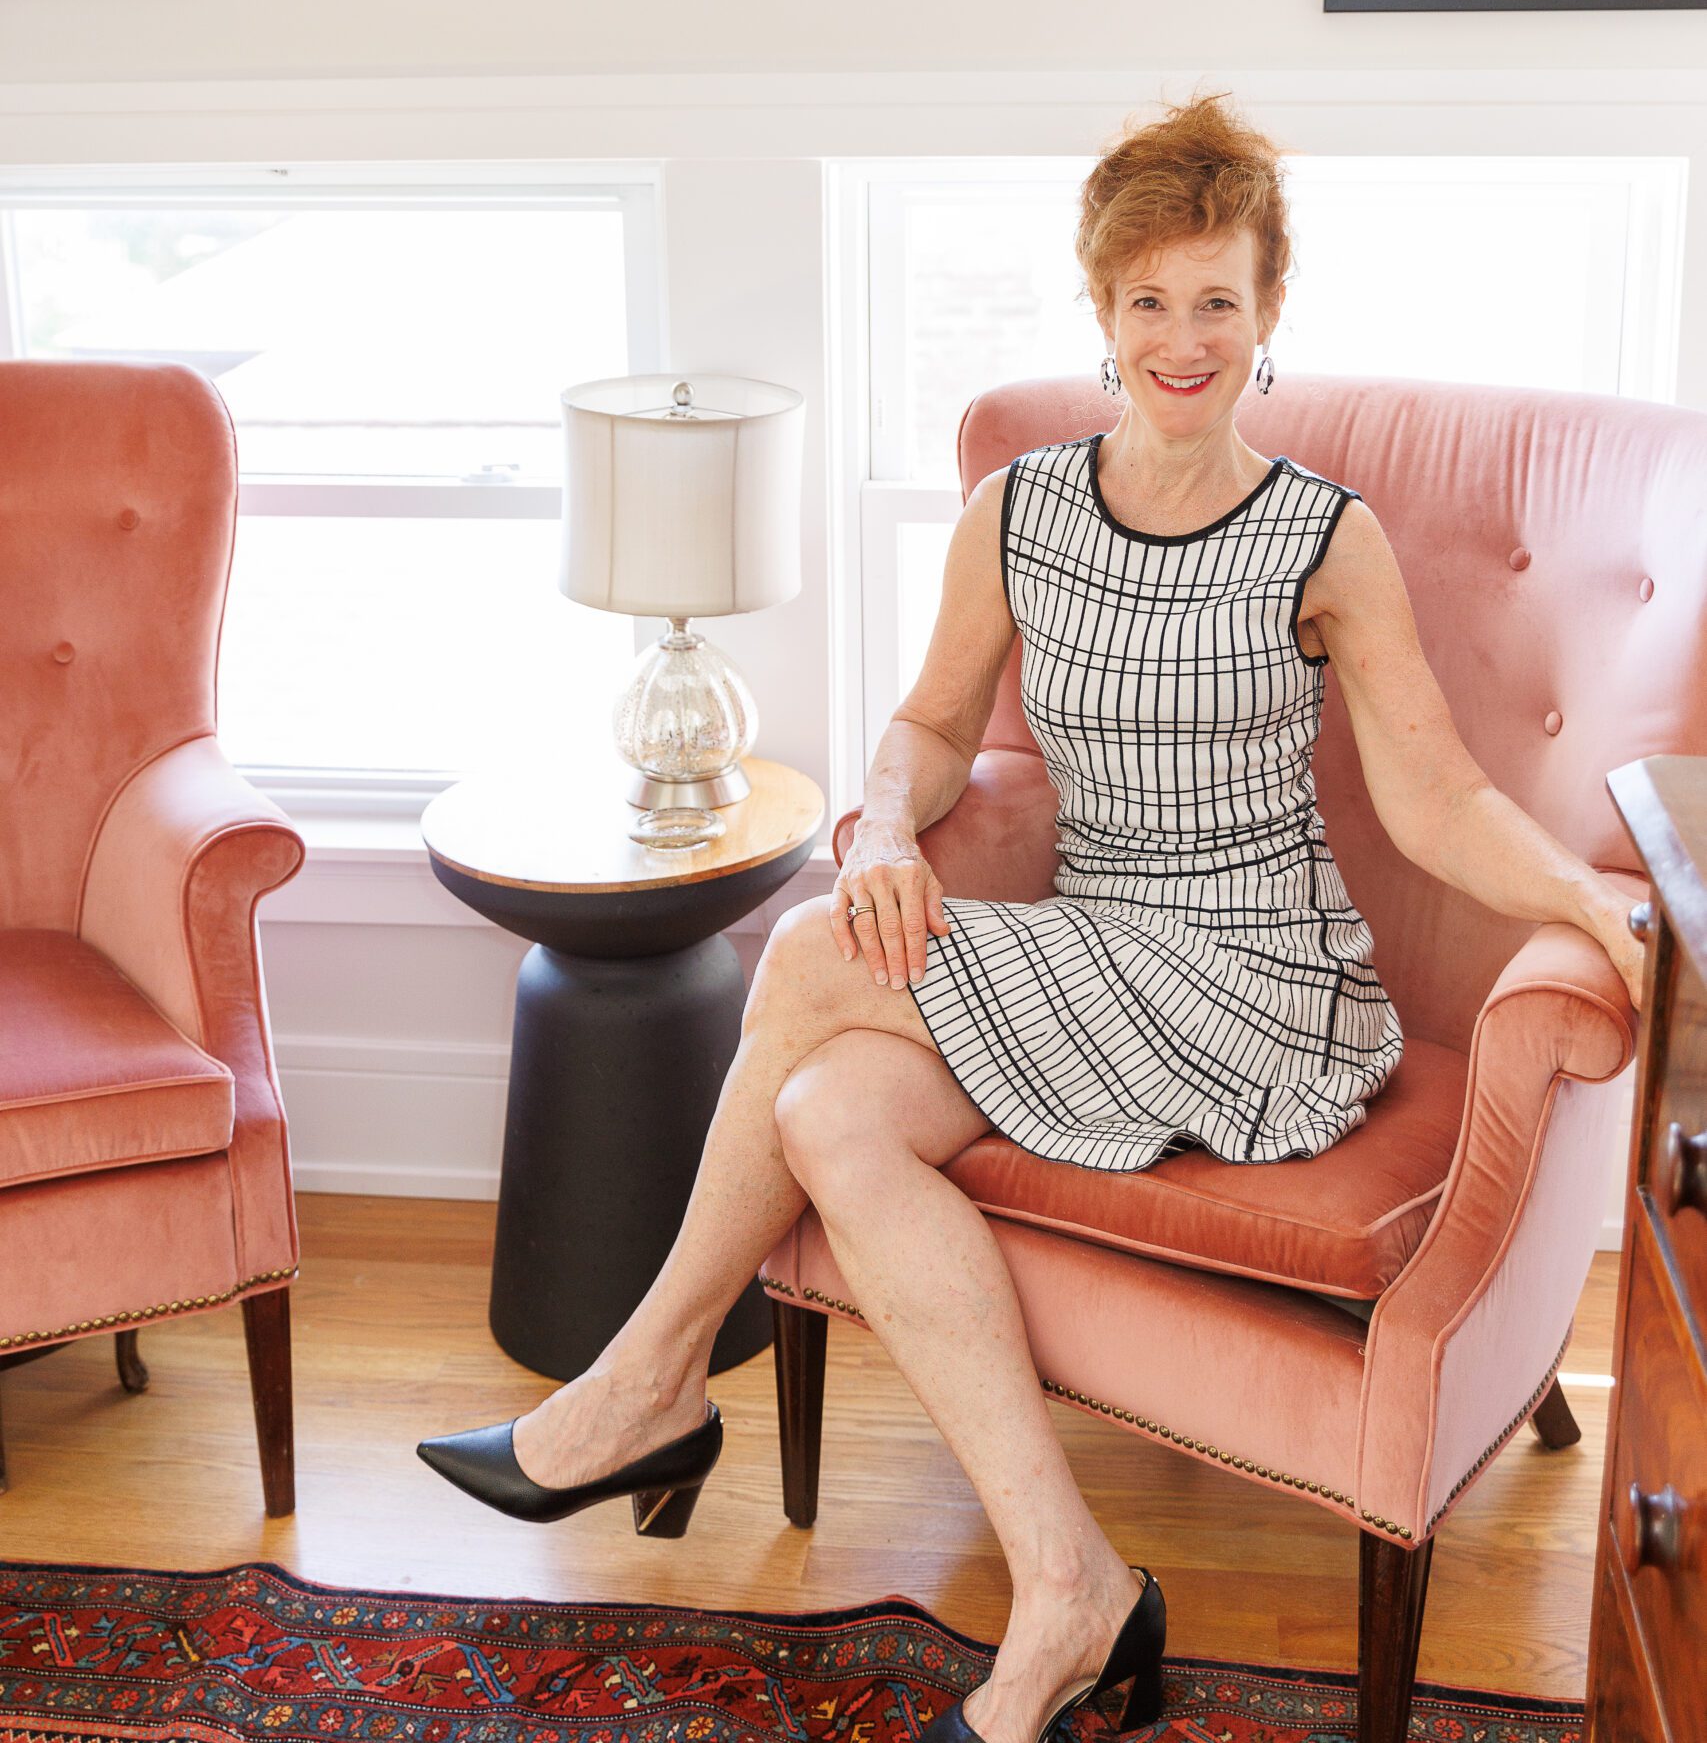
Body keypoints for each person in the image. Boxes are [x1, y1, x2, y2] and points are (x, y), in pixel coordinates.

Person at [418, 91, 1646, 1743]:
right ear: (1101, 311)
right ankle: (1074, 1583)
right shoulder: (1023, 509)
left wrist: (1599, 898)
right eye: (1150, 300)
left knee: (794, 970)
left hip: (1254, 980)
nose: (1183, 337)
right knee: (828, 1109)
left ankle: (645, 1383)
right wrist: (879, 832)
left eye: (1219, 299)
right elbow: (927, 725)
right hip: (1091, 946)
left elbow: (1432, 802)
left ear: (1270, 311)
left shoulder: (1325, 540)